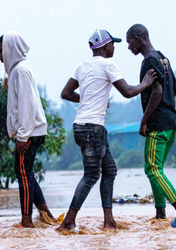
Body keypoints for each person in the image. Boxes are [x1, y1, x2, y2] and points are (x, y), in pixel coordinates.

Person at [58, 29, 156, 231]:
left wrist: (88, 99)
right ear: (104, 46)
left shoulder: (82, 66)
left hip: (81, 126)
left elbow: (66, 93)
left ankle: (109, 221)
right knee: (91, 175)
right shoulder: (108, 64)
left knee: (109, 170)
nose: (114, 47)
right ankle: (68, 221)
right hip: (93, 128)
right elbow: (128, 92)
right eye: (112, 44)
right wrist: (146, 83)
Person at [126, 24, 176, 227]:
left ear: (138, 38)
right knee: (155, 168)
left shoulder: (149, 61)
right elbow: (175, 87)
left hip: (158, 124)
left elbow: (156, 92)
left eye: (130, 42)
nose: (129, 47)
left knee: (153, 169)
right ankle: (160, 214)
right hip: (171, 121)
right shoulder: (163, 58)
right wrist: (166, 105)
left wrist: (145, 120)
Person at [0, 33, 57, 228]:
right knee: (27, 173)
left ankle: (26, 221)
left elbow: (27, 104)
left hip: (29, 132)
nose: (0, 55)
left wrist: (22, 135)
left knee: (22, 173)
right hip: (33, 131)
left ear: (10, 50)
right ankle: (46, 213)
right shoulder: (18, 70)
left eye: (1, 50)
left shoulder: (20, 71)